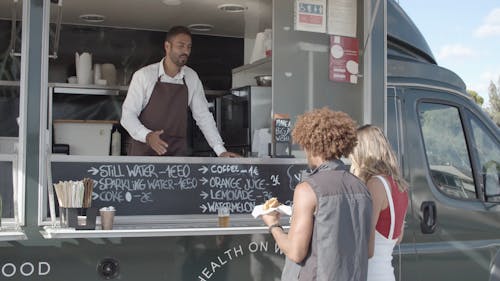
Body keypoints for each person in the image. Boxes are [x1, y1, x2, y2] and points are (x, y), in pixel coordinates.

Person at [260, 108, 372, 281]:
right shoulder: (361, 187)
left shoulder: (307, 189)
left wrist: (273, 225)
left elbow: (296, 252)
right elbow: (369, 250)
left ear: (310, 145)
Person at [121, 25, 239, 157]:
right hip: (143, 157)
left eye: (189, 47)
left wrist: (220, 151)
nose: (185, 51)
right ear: (167, 46)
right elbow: (127, 116)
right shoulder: (144, 76)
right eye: (180, 45)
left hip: (176, 157)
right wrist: (147, 136)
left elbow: (203, 117)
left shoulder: (191, 77)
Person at [349, 125, 409, 281]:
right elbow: (398, 237)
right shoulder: (400, 185)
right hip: (386, 273)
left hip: (369, 273)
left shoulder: (375, 184)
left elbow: (365, 244)